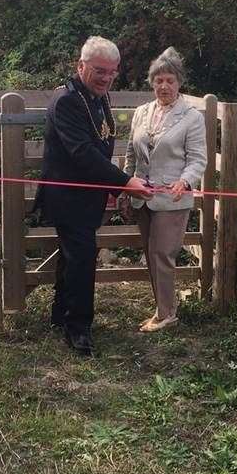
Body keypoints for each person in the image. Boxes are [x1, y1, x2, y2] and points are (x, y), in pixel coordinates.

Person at [35, 36, 152, 356]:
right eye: (99, 70)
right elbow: (83, 154)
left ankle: (61, 316)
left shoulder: (99, 97)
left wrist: (113, 187)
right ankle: (79, 328)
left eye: (112, 72)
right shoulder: (67, 102)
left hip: (90, 195)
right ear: (81, 66)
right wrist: (126, 183)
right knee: (82, 258)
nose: (106, 77)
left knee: (72, 257)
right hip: (67, 197)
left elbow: (102, 145)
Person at [120, 48, 207, 333]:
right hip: (142, 196)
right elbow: (132, 153)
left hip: (172, 197)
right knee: (150, 251)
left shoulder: (191, 118)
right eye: (159, 80)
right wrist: (125, 184)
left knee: (162, 253)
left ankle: (167, 314)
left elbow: (197, 160)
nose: (164, 86)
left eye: (170, 80)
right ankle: (163, 308)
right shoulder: (142, 112)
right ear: (152, 82)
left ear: (179, 82)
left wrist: (185, 181)